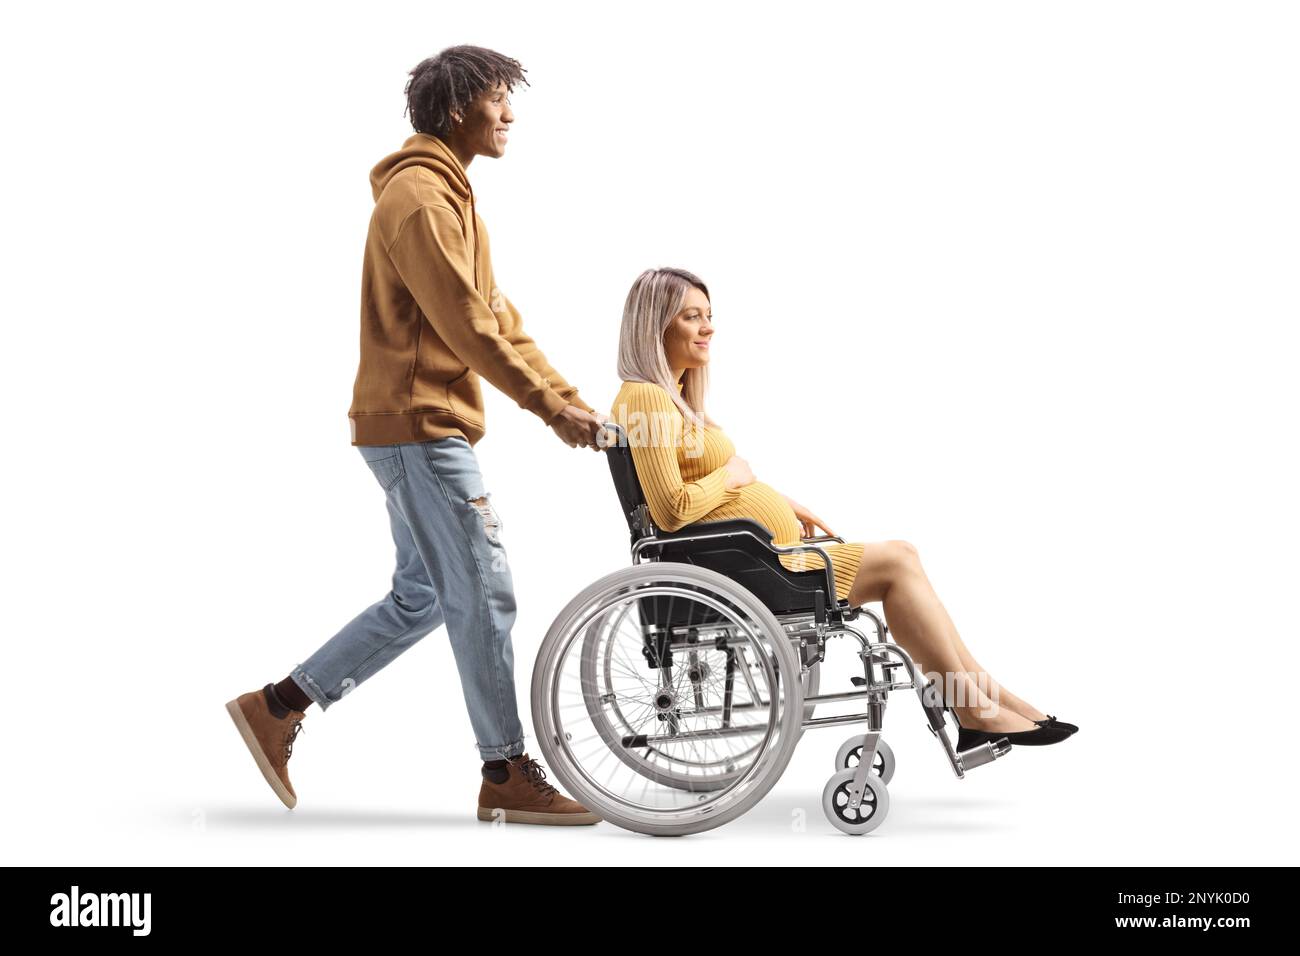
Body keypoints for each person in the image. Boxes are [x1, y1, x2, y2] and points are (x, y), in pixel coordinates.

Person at [226, 45, 605, 825]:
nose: (510, 114)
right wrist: (546, 408)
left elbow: (499, 319)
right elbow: (468, 328)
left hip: (413, 425)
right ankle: (503, 771)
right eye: (499, 98)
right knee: (485, 589)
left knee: (426, 594)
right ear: (459, 105)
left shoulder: (451, 197)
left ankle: (276, 707)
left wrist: (570, 401)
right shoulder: (424, 201)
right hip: (421, 427)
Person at [607, 267, 1079, 751]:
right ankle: (974, 708)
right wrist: (734, 477)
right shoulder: (645, 398)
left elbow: (705, 479)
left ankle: (989, 698)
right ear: (655, 326)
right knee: (897, 561)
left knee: (903, 553)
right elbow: (670, 511)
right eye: (692, 317)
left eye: (710, 315)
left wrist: (778, 501)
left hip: (752, 557)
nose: (709, 327)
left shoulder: (676, 398)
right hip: (737, 569)